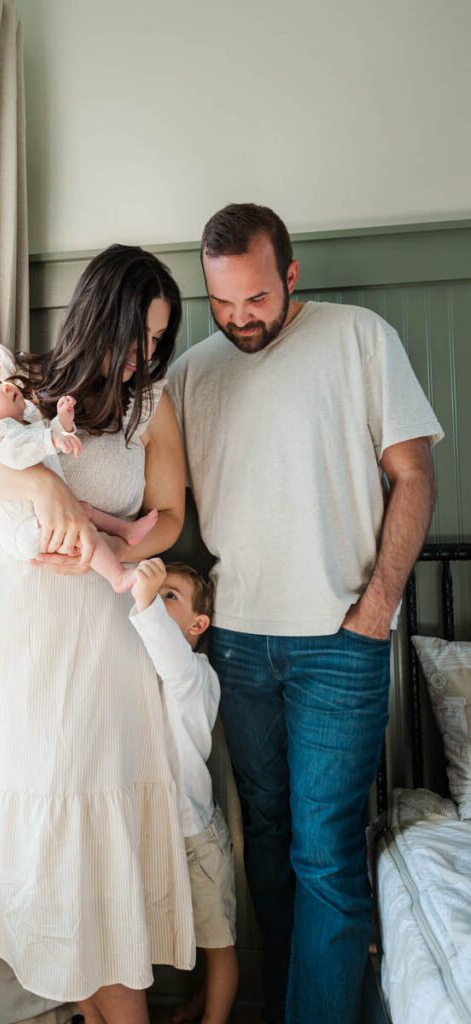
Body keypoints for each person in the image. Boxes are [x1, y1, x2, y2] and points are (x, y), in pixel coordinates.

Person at [167, 203, 444, 1024]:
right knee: (267, 841)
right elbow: (157, 507)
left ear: (289, 275)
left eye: (255, 298)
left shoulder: (357, 337)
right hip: (238, 648)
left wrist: (377, 609)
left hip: (338, 642)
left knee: (323, 853)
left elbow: (414, 476)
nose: (239, 319)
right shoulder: (190, 372)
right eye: (221, 303)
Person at [0, 244, 195, 1024]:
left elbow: (166, 517)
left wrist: (104, 552)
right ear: (98, 316)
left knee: (92, 853)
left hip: (98, 637)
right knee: (39, 845)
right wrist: (37, 483)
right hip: (11, 640)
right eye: (136, 337)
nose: (143, 359)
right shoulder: (14, 383)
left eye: (158, 342)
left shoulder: (151, 403)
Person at [0, 365, 159, 591]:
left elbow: (41, 442)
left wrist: (62, 424)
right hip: (26, 528)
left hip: (37, 517)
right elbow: (16, 454)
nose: (6, 387)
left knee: (83, 511)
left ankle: (125, 531)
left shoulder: (16, 426)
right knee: (84, 530)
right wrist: (51, 438)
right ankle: (117, 578)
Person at [130, 558, 238, 1024]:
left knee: (217, 942)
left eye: (168, 596)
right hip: (150, 829)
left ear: (198, 625)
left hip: (196, 836)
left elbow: (170, 659)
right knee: (159, 928)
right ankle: (195, 1000)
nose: (156, 600)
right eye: (156, 595)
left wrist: (142, 600)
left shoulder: (196, 674)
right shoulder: (140, 670)